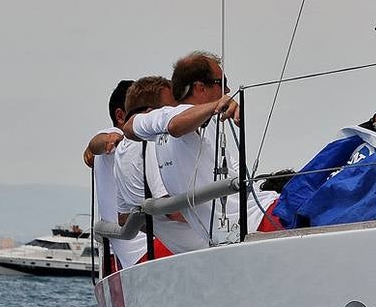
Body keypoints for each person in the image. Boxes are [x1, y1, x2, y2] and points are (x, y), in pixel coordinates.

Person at [127, 51, 279, 244]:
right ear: (199, 88)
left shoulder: (209, 122)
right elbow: (157, 127)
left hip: (262, 208)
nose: (228, 89)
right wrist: (217, 105)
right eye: (221, 82)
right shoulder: (168, 116)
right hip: (255, 220)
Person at [116, 76, 209, 256]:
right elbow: (171, 209)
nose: (176, 112)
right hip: (209, 242)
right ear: (152, 114)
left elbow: (124, 218)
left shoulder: (122, 151)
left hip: (182, 249)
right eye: (171, 108)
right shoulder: (152, 142)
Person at [83, 80, 149, 268]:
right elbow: (99, 140)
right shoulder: (116, 136)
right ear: (121, 116)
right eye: (145, 110)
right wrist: (109, 141)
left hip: (123, 253)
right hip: (140, 250)